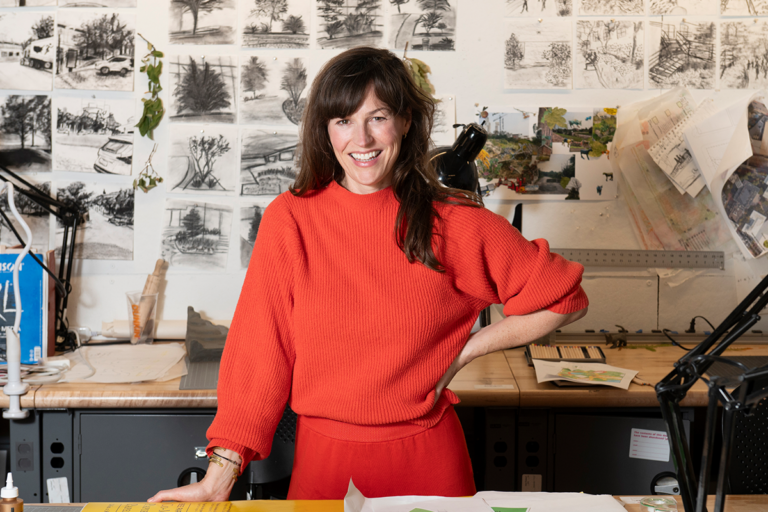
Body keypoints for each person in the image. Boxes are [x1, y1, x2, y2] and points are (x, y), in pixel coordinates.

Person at [148, 46, 588, 503]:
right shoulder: (292, 218)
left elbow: (565, 299)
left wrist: (462, 353)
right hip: (324, 464)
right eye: (343, 121)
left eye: (377, 117)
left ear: (407, 122)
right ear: (325, 130)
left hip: (428, 463)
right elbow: (262, 349)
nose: (361, 138)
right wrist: (219, 475)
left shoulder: (454, 220)